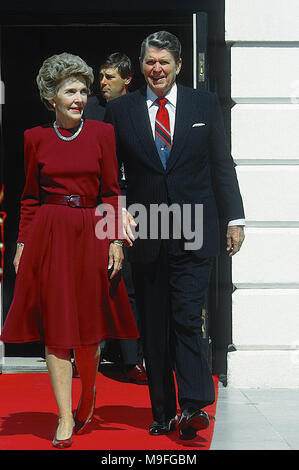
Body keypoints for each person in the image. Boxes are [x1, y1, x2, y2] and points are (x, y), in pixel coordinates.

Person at [104, 31, 245, 440]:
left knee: (186, 317)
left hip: (196, 228)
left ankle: (194, 405)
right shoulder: (122, 110)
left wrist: (234, 219)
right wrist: (115, 217)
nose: (157, 68)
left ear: (179, 66)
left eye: (164, 61)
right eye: (150, 61)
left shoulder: (203, 105)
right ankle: (163, 412)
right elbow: (110, 175)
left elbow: (222, 163)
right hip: (147, 233)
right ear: (141, 66)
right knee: (155, 324)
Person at [0, 52, 139, 448]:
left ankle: (90, 392)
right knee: (57, 331)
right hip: (49, 235)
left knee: (88, 333)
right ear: (52, 97)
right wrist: (22, 243)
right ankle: (64, 416)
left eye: (83, 90)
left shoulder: (102, 134)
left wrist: (115, 238)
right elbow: (28, 198)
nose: (79, 98)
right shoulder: (34, 138)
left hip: (91, 233)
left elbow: (112, 191)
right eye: (70, 91)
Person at [84, 52, 147, 385]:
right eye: (101, 76)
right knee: (92, 283)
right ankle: (87, 354)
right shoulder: (91, 109)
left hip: (133, 208)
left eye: (110, 77)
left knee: (129, 285)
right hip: (93, 205)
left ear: (127, 79)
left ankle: (131, 358)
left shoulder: (139, 108)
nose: (102, 83)